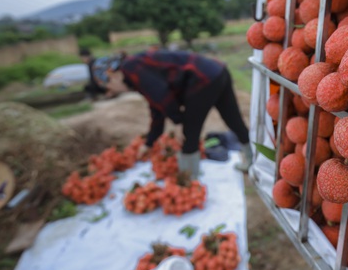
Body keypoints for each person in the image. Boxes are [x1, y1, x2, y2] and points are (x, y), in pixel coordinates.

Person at [91, 50, 253, 177]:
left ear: (111, 75)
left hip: (202, 79)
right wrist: (149, 142)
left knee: (188, 134)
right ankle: (253, 162)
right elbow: (157, 108)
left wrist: (177, 121)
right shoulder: (135, 69)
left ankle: (189, 181)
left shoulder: (131, 68)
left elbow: (161, 94)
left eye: (109, 88)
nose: (111, 93)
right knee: (234, 120)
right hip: (217, 71)